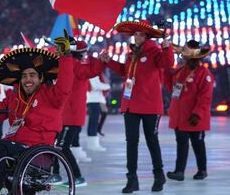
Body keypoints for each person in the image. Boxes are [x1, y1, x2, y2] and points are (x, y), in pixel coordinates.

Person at [0, 36, 73, 194]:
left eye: (32, 75)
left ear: (40, 78)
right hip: (15, 147)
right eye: (24, 76)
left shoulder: (51, 95)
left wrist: (65, 56)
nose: (28, 79)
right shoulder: (15, 97)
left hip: (37, 152)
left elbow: (65, 86)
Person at [100, 20, 174, 193]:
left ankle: (159, 175)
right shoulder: (131, 54)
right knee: (131, 143)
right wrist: (108, 61)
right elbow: (124, 72)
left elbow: (167, 63)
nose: (137, 37)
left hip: (150, 106)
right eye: (135, 34)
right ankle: (132, 180)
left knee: (152, 141)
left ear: (147, 36)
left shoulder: (155, 51)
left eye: (140, 34)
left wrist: (166, 44)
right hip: (130, 106)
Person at [51, 40, 106, 186]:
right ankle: (55, 174)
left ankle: (77, 176)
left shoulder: (75, 65)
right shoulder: (67, 64)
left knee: (61, 146)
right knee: (55, 144)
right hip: (65, 114)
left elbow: (92, 70)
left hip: (71, 115)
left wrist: (97, 60)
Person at [164, 40, 214, 181]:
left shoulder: (205, 74)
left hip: (194, 118)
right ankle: (179, 172)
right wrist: (165, 70)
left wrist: (197, 114)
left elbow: (205, 97)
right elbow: (169, 86)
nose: (184, 58)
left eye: (186, 56)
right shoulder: (180, 72)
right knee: (182, 144)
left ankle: (202, 170)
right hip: (180, 117)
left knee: (198, 144)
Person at [86, 73, 110, 151]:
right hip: (93, 100)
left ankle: (93, 141)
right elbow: (95, 86)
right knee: (93, 122)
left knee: (94, 121)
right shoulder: (93, 73)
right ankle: (92, 144)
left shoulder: (96, 73)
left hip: (96, 99)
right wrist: (108, 86)